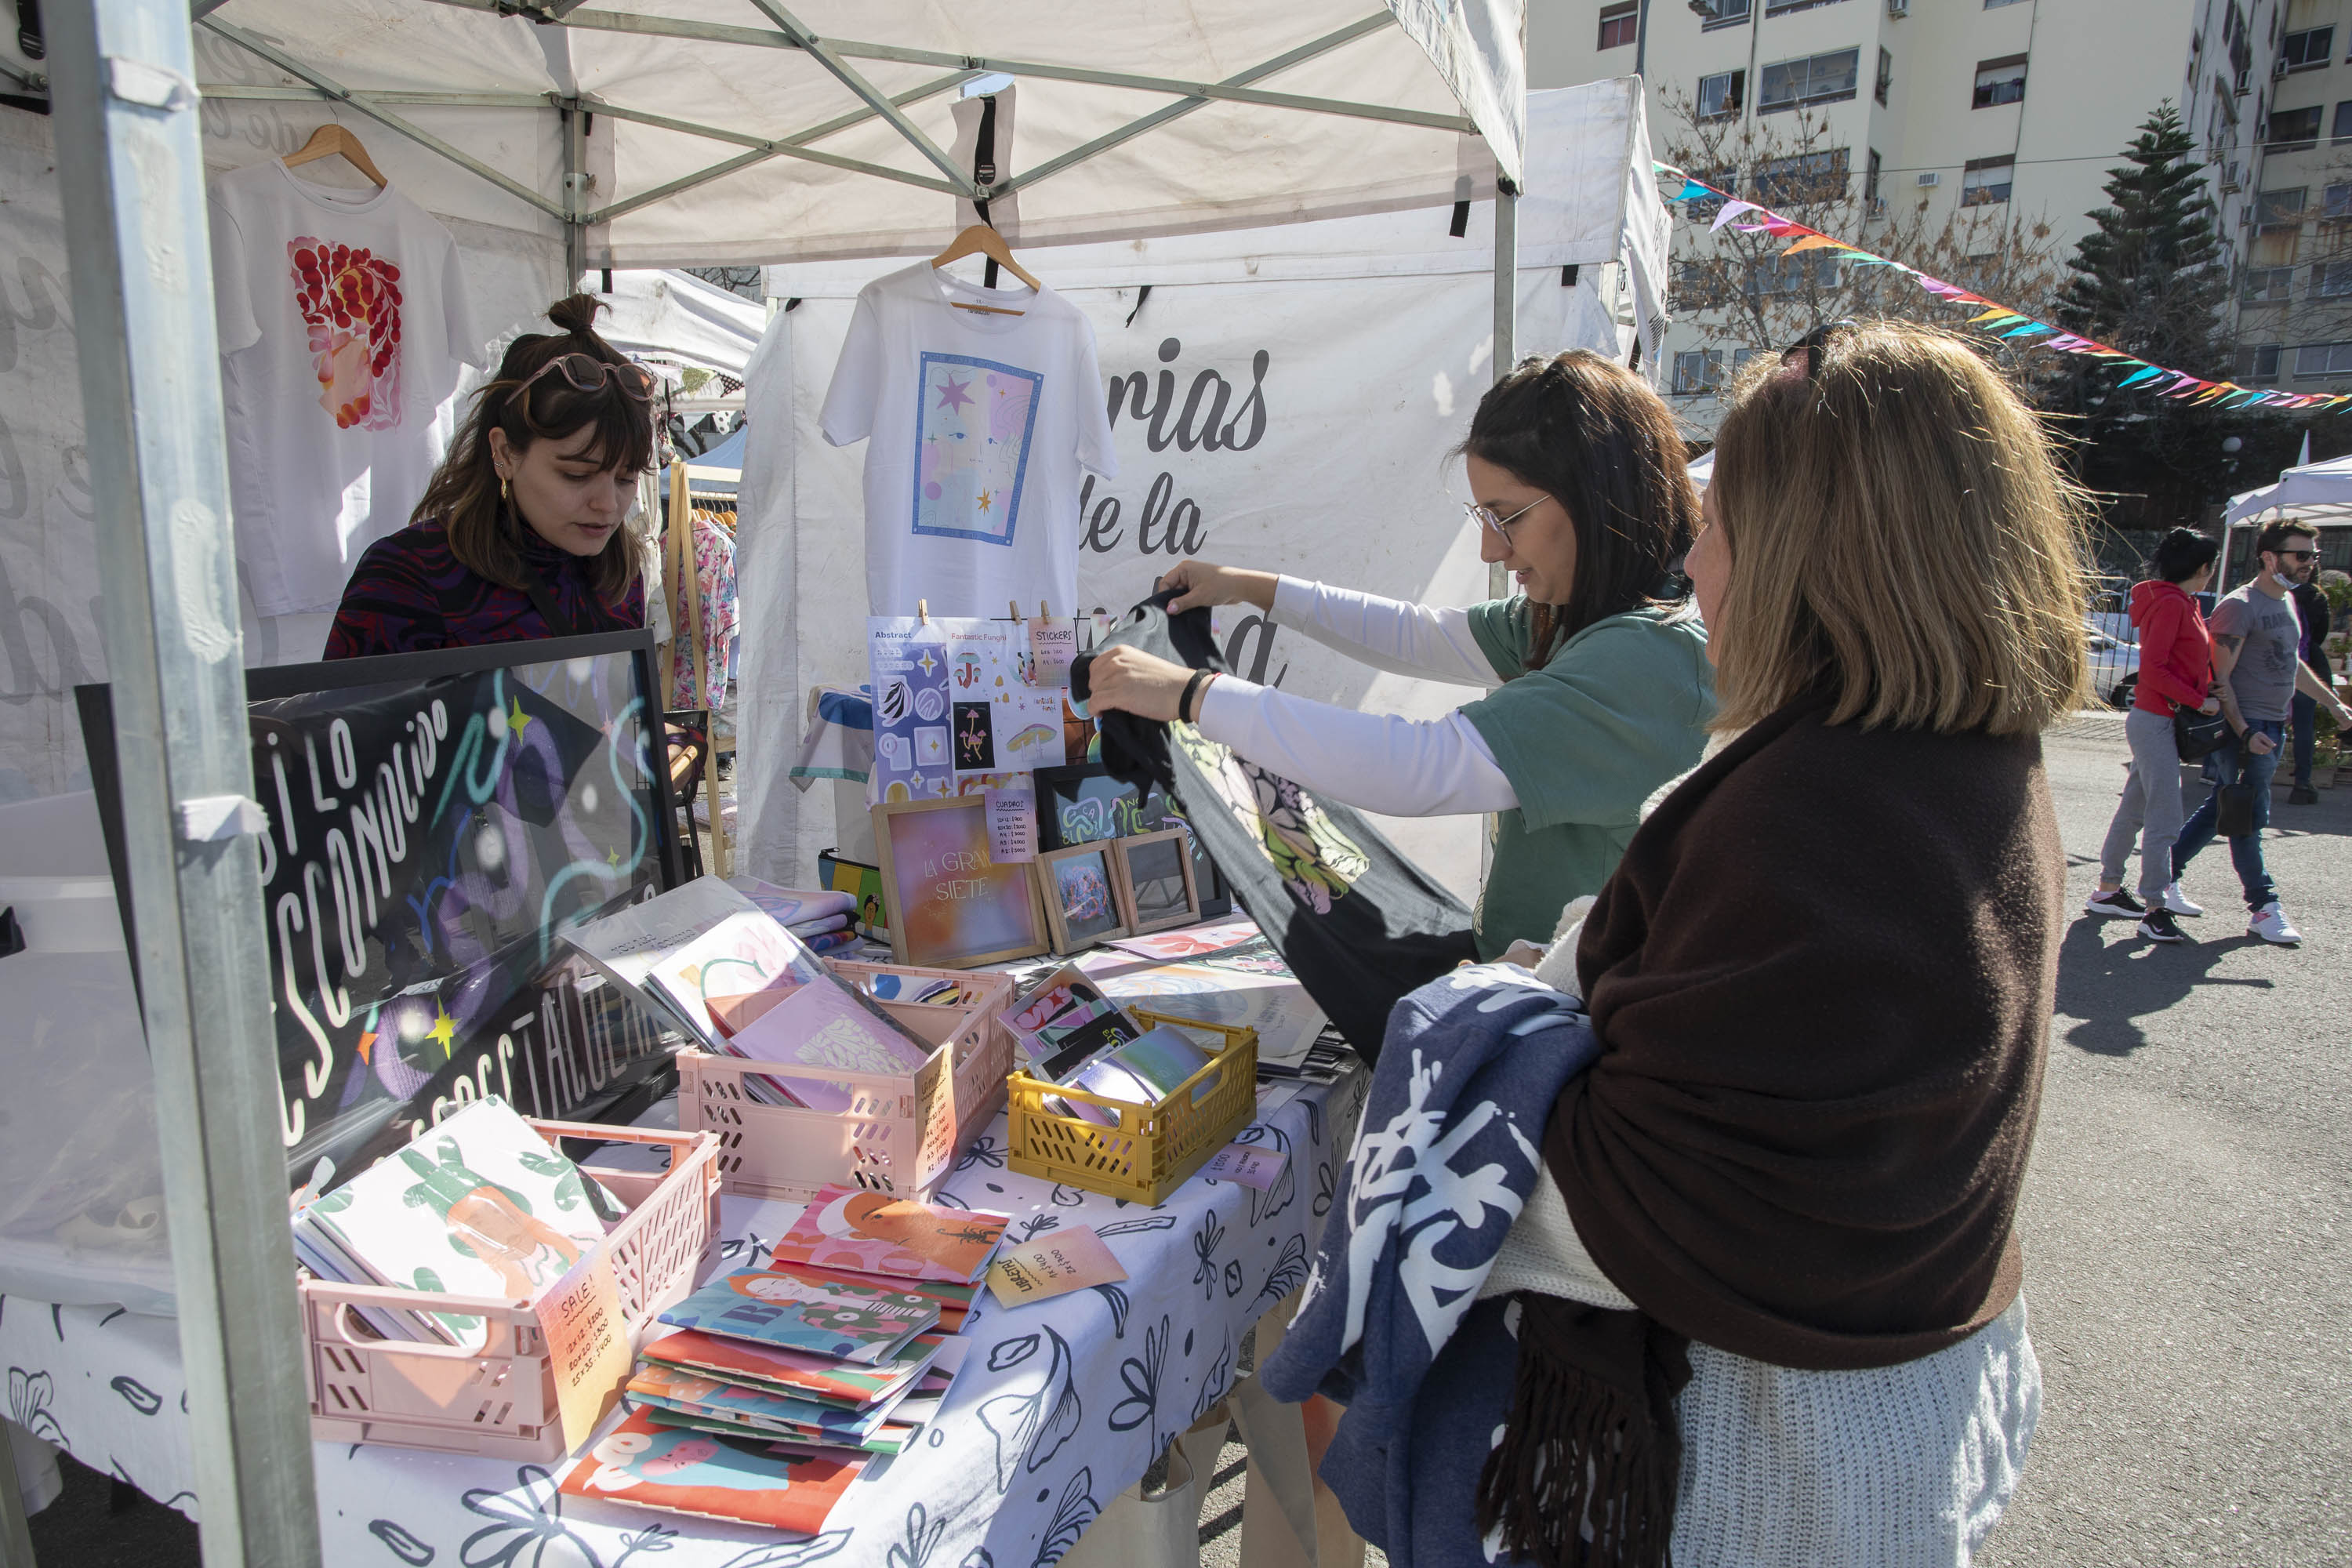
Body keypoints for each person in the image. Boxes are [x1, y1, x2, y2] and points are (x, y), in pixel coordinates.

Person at [1414, 321, 2085, 1566]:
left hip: (1767, 1468)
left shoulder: (1815, 817)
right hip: (1914, 1400)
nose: (1695, 558)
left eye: (1717, 526)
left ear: (1810, 554)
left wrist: (1470, 1055)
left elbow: (1669, 1202)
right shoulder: (1968, 759)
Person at [1080, 349, 1715, 959]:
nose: (1493, 552)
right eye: (1483, 519)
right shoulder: (1605, 615)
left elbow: (1421, 767)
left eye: (1509, 517)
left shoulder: (1645, 659)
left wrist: (1191, 695)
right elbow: (1427, 636)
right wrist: (1251, 588)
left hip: (1583, 1017)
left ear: (1597, 496)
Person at [325, 294, 654, 658]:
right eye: (576, 475)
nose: (608, 505)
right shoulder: (407, 576)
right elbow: (350, 714)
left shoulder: (619, 575)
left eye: (626, 478)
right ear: (504, 452)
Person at [2170, 520, 2352, 945]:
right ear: (2270, 557)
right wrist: (2245, 730)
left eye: (2313, 556)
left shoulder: (2287, 601)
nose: (2310, 564)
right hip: (2246, 728)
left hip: (2270, 725)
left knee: (2224, 806)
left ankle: (2162, 875)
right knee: (2247, 814)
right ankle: (2263, 905)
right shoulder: (2240, 606)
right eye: (2300, 555)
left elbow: (2290, 663)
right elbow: (2220, 679)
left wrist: (2333, 703)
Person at [2088, 528, 2220, 942]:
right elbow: (2155, 670)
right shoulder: (2171, 604)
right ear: (2203, 568)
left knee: (2137, 808)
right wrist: (2200, 701)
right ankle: (2154, 907)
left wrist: (2202, 693)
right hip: (2157, 719)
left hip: (2156, 717)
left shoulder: (2177, 602)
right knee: (2165, 816)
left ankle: (2109, 890)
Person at [2287, 571, 2338, 804]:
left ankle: (2250, 777)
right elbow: (2320, 634)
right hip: (2306, 664)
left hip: (2273, 669)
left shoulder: (2276, 594)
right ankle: (2302, 781)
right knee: (2304, 726)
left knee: (2266, 721)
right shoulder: (2316, 597)